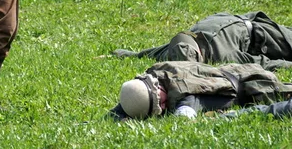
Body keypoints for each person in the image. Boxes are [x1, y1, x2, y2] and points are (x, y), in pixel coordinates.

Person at [109, 61, 292, 121]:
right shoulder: (155, 75)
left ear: (157, 87)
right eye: (155, 108)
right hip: (236, 71)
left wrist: (181, 116)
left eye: (160, 101)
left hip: (255, 84)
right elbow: (131, 99)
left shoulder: (182, 91)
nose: (163, 106)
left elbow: (187, 111)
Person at [113, 11, 292, 71]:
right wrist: (125, 54)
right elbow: (153, 52)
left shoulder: (221, 55)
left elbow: (264, 64)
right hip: (232, 21)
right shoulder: (183, 41)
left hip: (262, 34)